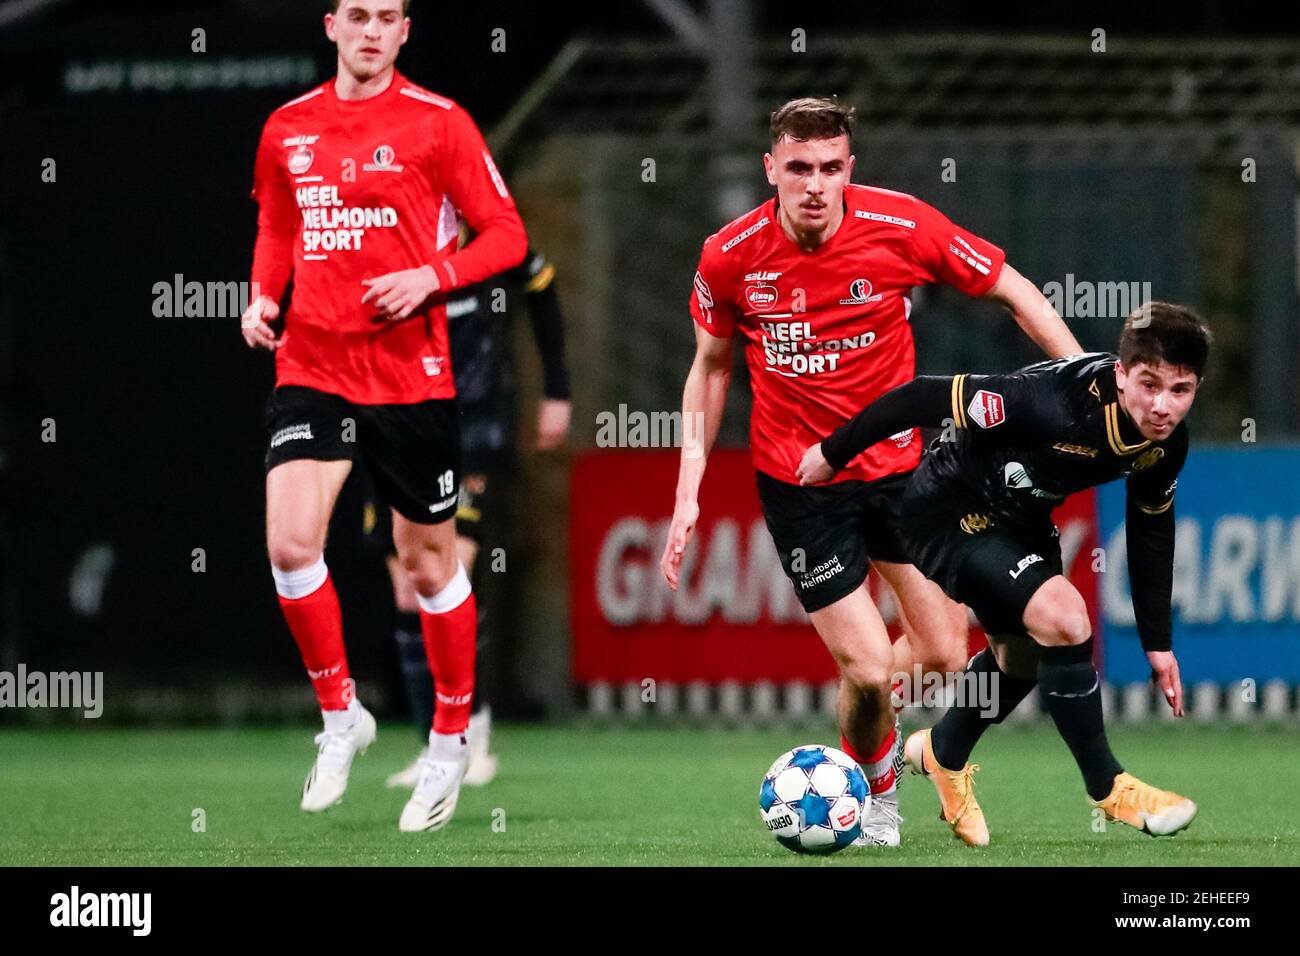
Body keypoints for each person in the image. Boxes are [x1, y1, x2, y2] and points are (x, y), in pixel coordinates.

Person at [660, 97, 1082, 846]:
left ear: (849, 169)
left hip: (903, 476)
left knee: (948, 653)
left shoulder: (903, 226)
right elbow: (710, 366)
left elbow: (1012, 290)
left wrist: (1084, 380)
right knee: (863, 669)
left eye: (830, 168)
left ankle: (868, 730)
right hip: (801, 486)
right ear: (772, 170)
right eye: (799, 169)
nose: (815, 184)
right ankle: (877, 794)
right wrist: (688, 486)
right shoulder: (730, 254)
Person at [241, 0, 526, 832]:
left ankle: (447, 745)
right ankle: (340, 718)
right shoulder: (286, 127)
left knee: (429, 565)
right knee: (291, 543)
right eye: (358, 14)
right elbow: (277, 224)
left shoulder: (440, 124)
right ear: (330, 24)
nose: (372, 30)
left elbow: (505, 235)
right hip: (314, 365)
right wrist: (263, 296)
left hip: (412, 376)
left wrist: (433, 276)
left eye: (389, 17)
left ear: (406, 31)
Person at [798, 302, 1208, 844]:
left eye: (1179, 391)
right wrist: (833, 451)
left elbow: (1150, 530)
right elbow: (922, 395)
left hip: (1022, 517)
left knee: (1023, 660)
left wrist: (1158, 643)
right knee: (1064, 616)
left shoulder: (1166, 444)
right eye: (1148, 384)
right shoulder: (1050, 404)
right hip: (946, 507)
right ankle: (1109, 788)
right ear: (1120, 374)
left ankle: (941, 754)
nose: (1161, 406)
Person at [370, 241, 571, 789]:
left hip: (468, 418)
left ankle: (471, 736)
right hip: (391, 415)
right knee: (406, 588)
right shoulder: (382, 219)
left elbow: (541, 282)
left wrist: (556, 389)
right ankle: (432, 746)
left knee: (448, 570)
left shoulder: (484, 224)